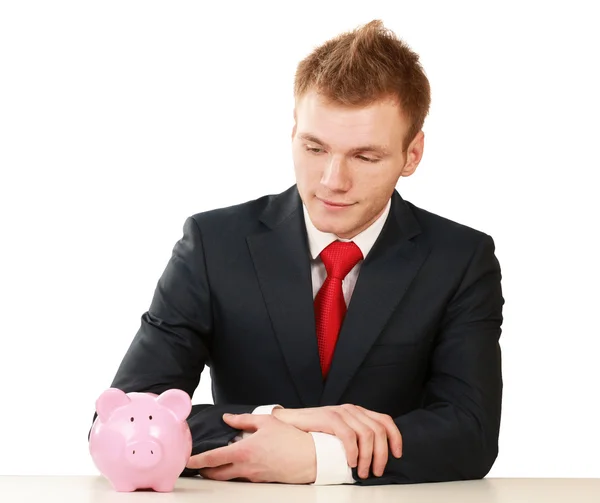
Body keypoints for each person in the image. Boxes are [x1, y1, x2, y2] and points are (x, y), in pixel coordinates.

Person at [97, 19, 504, 486]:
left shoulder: (461, 259)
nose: (332, 180)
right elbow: (120, 420)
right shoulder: (213, 244)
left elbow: (469, 434)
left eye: (365, 157)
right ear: (293, 131)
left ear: (412, 155)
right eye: (314, 147)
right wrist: (282, 421)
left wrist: (319, 457)